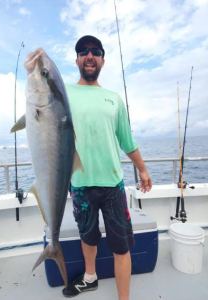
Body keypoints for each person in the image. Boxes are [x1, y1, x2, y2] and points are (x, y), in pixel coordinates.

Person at [62, 35, 152, 300]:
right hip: (79, 183)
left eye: (96, 52)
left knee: (121, 246)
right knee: (87, 237)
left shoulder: (114, 99)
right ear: (76, 58)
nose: (90, 56)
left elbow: (127, 141)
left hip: (113, 185)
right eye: (84, 51)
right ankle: (90, 278)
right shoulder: (64, 95)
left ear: (102, 59)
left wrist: (144, 170)